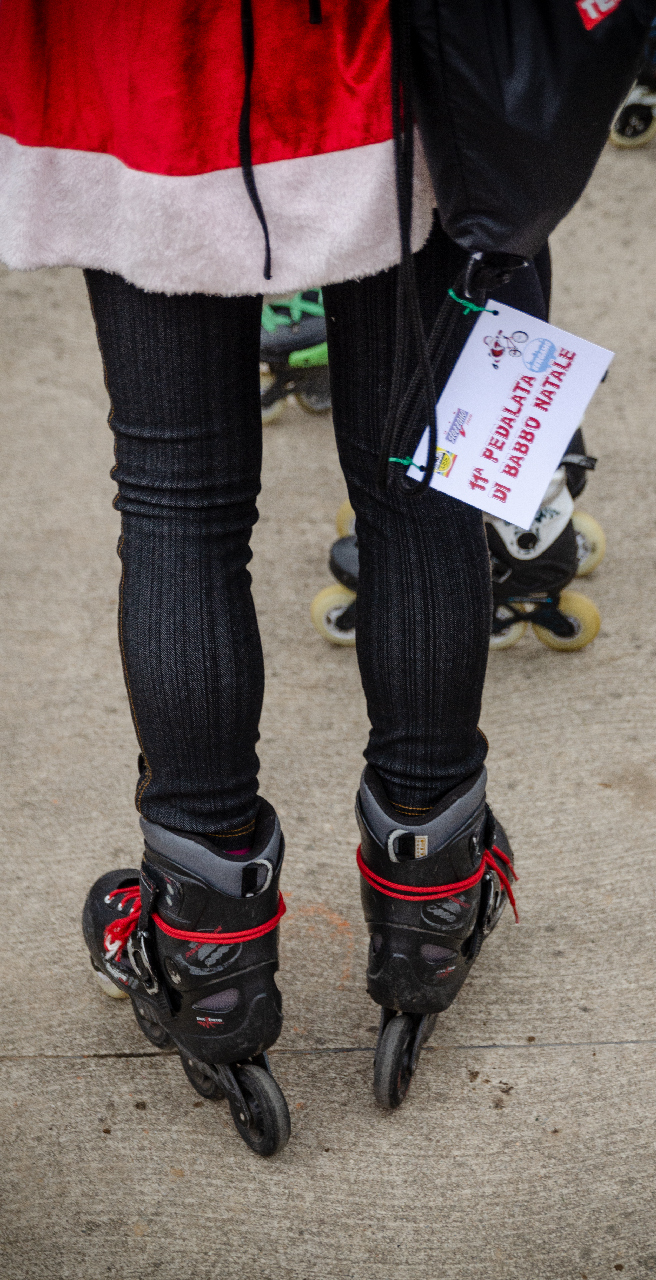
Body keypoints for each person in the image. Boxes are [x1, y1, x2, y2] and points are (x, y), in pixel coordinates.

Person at [0, 1, 530, 1150]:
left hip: (148, 67)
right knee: (419, 487)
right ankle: (430, 906)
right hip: (388, 62)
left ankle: (209, 962)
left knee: (178, 505)